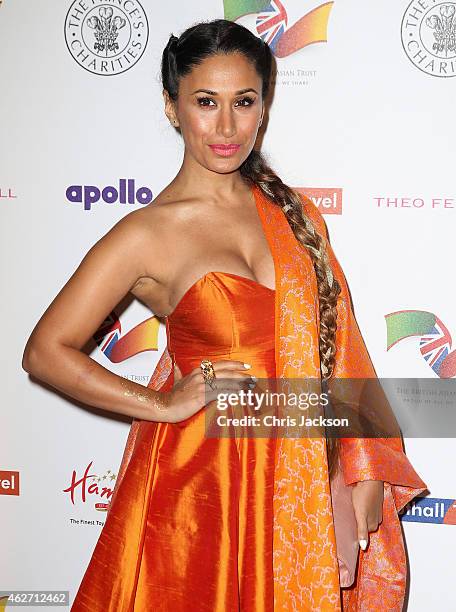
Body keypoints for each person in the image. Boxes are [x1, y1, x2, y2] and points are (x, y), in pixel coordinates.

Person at [22, 18, 427, 612]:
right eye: (205, 102)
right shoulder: (148, 233)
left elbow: (343, 349)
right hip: (204, 480)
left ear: (264, 107)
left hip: (301, 467)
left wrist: (359, 472)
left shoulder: (296, 216)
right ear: (172, 106)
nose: (226, 126)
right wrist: (160, 404)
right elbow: (45, 351)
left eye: (244, 102)